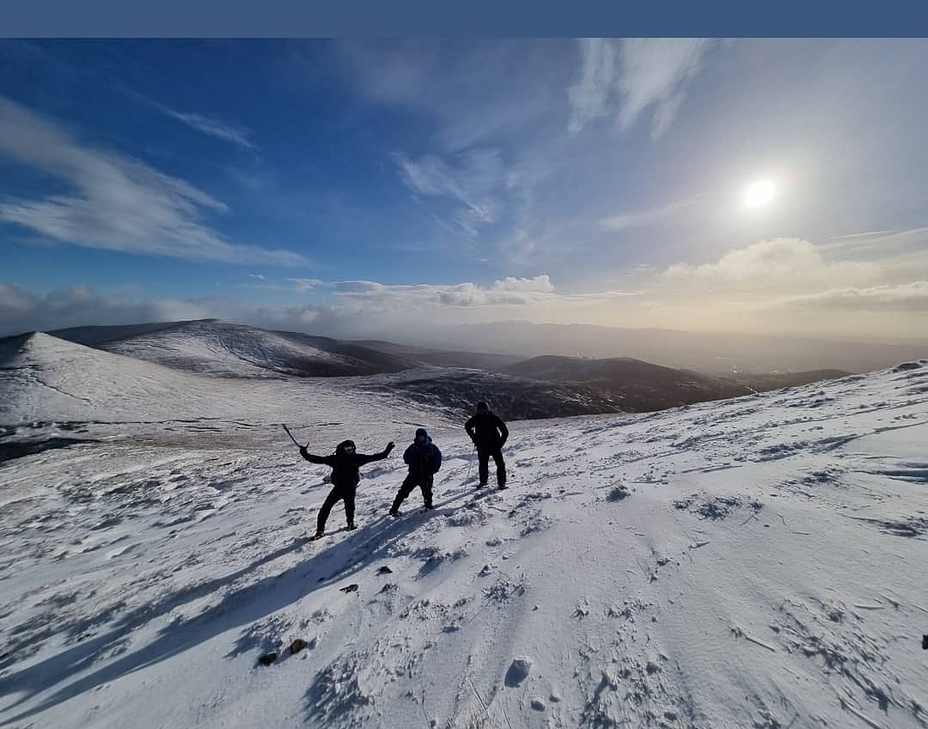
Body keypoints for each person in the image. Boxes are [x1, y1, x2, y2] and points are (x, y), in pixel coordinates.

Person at [300, 438, 394, 539]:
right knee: (325, 508)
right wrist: (305, 453)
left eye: (352, 448)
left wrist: (387, 450)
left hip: (350, 488)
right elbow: (318, 459)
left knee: (350, 507)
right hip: (338, 488)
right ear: (342, 449)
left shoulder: (357, 458)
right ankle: (320, 531)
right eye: (348, 448)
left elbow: (375, 457)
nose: (350, 450)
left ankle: (350, 524)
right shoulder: (336, 459)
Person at [389, 428, 442, 515]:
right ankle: (394, 510)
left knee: (427, 493)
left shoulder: (432, 448)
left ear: (425, 436)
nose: (421, 438)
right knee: (402, 492)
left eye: (422, 437)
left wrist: (431, 471)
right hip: (413, 474)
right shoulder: (413, 447)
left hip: (426, 476)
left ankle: (428, 507)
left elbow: (437, 461)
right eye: (419, 437)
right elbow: (406, 459)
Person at [464, 401, 508, 489]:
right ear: (478, 411)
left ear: (488, 409)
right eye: (481, 411)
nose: (483, 412)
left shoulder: (492, 418)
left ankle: (501, 483)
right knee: (483, 465)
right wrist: (474, 438)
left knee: (499, 465)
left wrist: (500, 443)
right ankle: (483, 482)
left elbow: (505, 431)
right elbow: (467, 426)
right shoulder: (477, 418)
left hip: (494, 445)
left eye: (484, 410)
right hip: (483, 446)